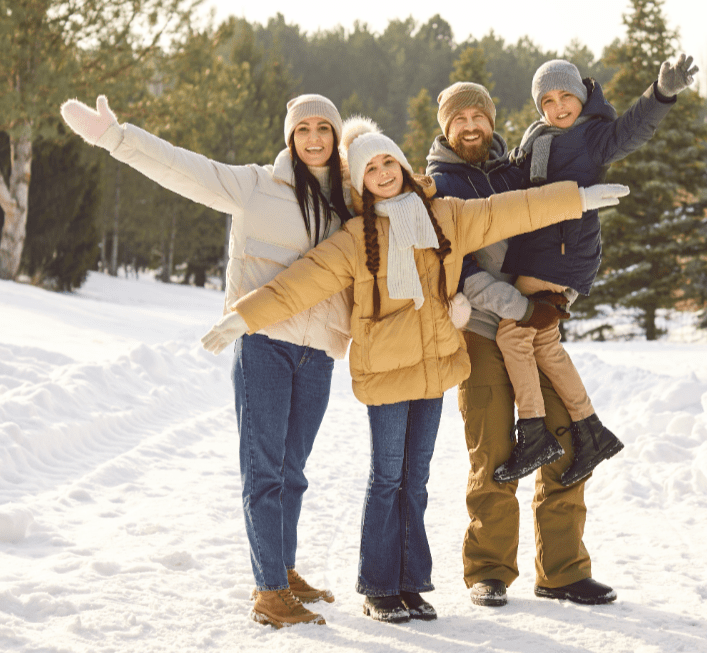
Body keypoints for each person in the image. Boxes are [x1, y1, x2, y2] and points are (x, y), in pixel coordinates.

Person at [199, 117, 629, 624]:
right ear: (359, 182)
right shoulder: (356, 238)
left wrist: (576, 199)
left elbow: (510, 210)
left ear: (402, 165)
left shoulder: (445, 217)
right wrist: (243, 317)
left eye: (388, 162)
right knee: (387, 477)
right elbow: (301, 283)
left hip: (435, 368)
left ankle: (410, 583)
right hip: (385, 375)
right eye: (370, 168)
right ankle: (380, 586)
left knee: (416, 480)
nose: (382, 172)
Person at [59, 93, 352, 629]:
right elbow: (181, 168)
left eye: (323, 129)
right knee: (264, 470)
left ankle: (283, 570)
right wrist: (117, 137)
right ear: (290, 137)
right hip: (264, 343)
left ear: (336, 137)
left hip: (319, 354)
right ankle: (268, 591)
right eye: (303, 129)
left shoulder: (348, 201)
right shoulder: (257, 185)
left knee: (294, 472)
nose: (314, 138)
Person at [423, 82, 606, 607]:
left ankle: (564, 571)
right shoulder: (437, 186)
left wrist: (560, 290)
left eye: (480, 115)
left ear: (493, 121)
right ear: (446, 126)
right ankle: (490, 571)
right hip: (482, 332)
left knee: (567, 438)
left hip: (535, 328)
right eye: (461, 118)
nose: (472, 125)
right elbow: (459, 275)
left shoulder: (516, 170)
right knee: (496, 451)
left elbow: (558, 229)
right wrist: (525, 308)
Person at [492, 55, 698, 486]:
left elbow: (632, 131)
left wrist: (660, 94)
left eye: (566, 95)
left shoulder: (592, 135)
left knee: (513, 334)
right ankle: (591, 431)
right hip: (546, 252)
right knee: (543, 344)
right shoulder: (539, 137)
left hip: (561, 253)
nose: (558, 106)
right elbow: (514, 179)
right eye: (547, 100)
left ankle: (532, 433)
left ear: (582, 97)